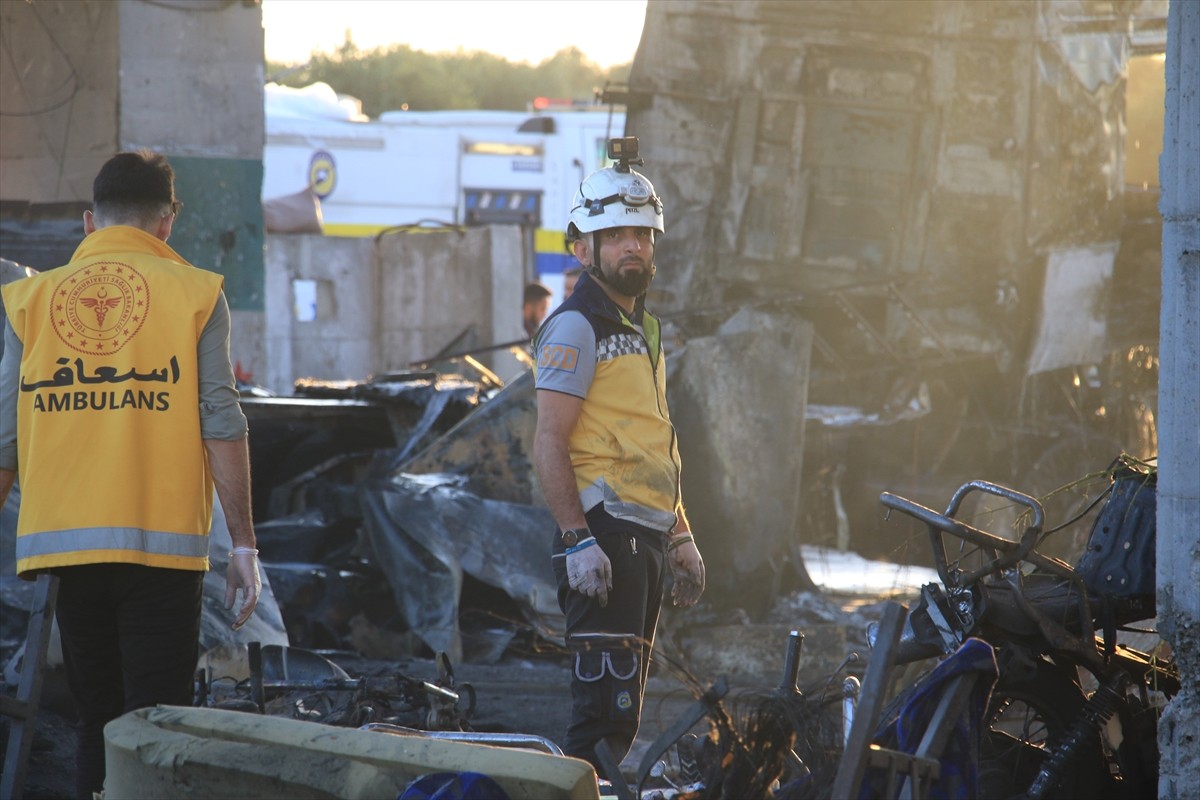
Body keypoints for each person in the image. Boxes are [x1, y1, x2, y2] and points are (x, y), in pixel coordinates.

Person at [0, 150, 260, 799]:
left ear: (90, 222)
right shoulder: (198, 294)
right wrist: (246, 545)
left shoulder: (30, 301)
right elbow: (222, 422)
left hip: (67, 547)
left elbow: (5, 437)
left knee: (98, 723)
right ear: (168, 222)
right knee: (158, 729)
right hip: (161, 551)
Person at [532, 144, 705, 775]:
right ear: (584, 249)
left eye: (643, 234)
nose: (634, 246)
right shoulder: (577, 325)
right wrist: (578, 539)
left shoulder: (644, 329)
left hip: (646, 535)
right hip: (605, 535)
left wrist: (681, 532)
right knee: (602, 718)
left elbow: (653, 438)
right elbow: (550, 441)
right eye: (616, 236)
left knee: (622, 715)